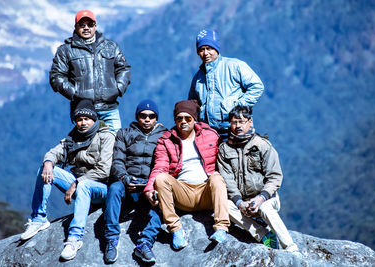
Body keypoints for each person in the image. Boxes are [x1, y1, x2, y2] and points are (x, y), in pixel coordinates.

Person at [20, 99, 115, 261]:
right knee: (45, 170)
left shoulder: (106, 136)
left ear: (94, 119)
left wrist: (76, 183)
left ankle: (74, 238)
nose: (83, 123)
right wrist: (48, 163)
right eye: (79, 119)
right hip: (77, 184)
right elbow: (54, 152)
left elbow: (104, 169)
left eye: (87, 119)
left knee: (84, 184)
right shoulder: (73, 137)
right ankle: (39, 218)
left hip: (101, 188)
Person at [144, 100, 230, 250]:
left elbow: (225, 161)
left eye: (188, 118)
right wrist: (149, 188)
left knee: (216, 177)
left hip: (206, 192)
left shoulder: (210, 135)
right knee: (161, 178)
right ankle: (176, 229)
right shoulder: (166, 140)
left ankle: (221, 228)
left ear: (195, 119)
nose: (183, 122)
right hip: (182, 193)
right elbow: (160, 166)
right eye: (179, 118)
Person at [217, 105, 299, 253]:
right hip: (242, 201)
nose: (238, 126)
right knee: (224, 206)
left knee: (265, 208)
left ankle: (291, 247)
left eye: (241, 122)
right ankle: (264, 235)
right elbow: (227, 179)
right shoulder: (224, 149)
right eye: (234, 122)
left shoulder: (262, 145)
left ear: (250, 122)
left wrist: (261, 198)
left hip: (266, 198)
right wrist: (239, 202)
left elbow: (274, 177)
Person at [103, 100, 167, 264]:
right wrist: (124, 178)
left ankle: (145, 243)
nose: (147, 119)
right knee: (114, 189)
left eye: (151, 116)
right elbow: (117, 162)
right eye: (143, 115)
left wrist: (151, 184)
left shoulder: (165, 135)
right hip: (128, 182)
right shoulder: (124, 133)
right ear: (137, 116)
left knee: (164, 195)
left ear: (156, 118)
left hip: (150, 183)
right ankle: (111, 239)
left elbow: (167, 164)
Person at [49, 10, 131, 133]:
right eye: (82, 25)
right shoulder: (66, 50)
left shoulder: (111, 46)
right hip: (83, 111)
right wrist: (75, 93)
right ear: (76, 27)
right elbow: (56, 76)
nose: (86, 28)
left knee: (114, 147)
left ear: (95, 26)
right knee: (86, 149)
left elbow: (123, 68)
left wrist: (118, 88)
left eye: (90, 24)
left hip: (110, 109)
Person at [188, 29, 264, 139]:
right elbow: (192, 104)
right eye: (201, 50)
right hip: (209, 133)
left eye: (209, 48)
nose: (205, 53)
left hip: (235, 129)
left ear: (216, 48)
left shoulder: (235, 66)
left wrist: (239, 107)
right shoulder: (198, 77)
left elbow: (257, 86)